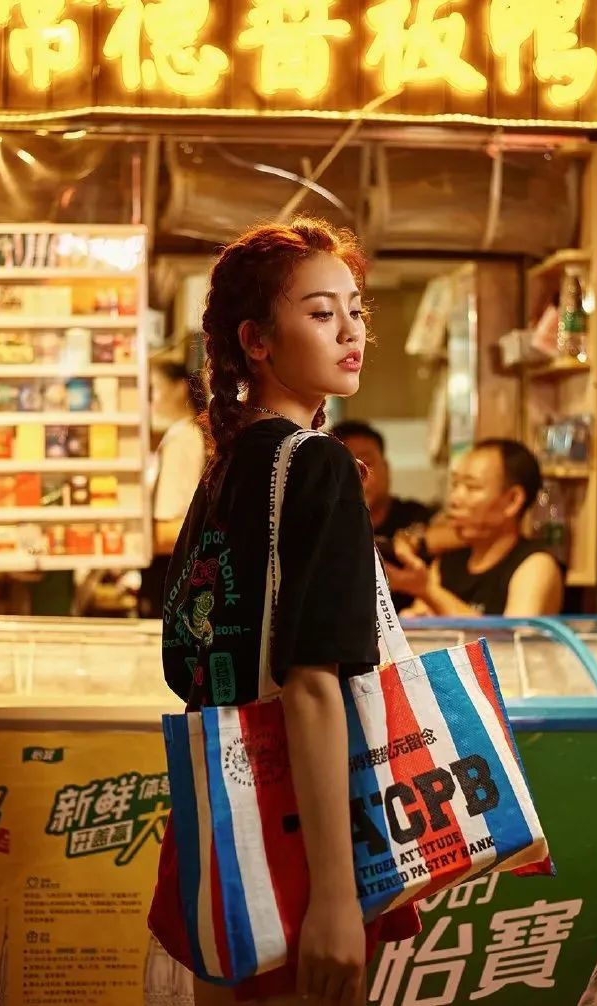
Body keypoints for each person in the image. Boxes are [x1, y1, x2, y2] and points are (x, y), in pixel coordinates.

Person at [150, 219, 420, 1006]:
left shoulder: (229, 464)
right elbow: (312, 687)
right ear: (256, 340)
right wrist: (335, 898)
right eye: (321, 312)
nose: (351, 332)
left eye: (356, 310)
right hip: (303, 837)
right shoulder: (319, 466)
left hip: (222, 833)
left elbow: (186, 658)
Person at [400, 438, 564, 617]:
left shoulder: (536, 565)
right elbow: (420, 615)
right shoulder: (447, 562)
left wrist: (428, 590)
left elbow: (515, 632)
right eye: (455, 485)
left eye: (472, 487)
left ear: (512, 501)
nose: (454, 499)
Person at [330, 420, 451, 611]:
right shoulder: (325, 525)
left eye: (366, 463)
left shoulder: (415, 516)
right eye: (344, 467)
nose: (356, 476)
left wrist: (414, 542)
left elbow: (457, 531)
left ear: (386, 468)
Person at [138, 357, 206, 618]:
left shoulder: (183, 438)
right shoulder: (184, 434)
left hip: (168, 574)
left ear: (179, 388)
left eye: (153, 389)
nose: (149, 400)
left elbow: (169, 528)